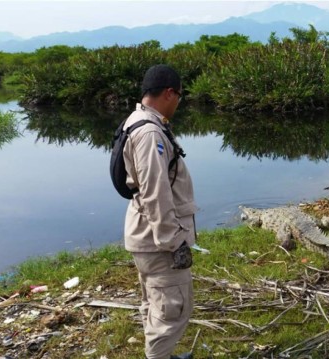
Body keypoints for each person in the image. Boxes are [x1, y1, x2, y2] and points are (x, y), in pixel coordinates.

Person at [122, 64, 196, 359]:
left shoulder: (137, 119)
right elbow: (156, 192)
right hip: (158, 242)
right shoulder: (150, 133)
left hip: (144, 232)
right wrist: (174, 242)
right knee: (172, 311)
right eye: (179, 95)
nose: (179, 102)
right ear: (169, 93)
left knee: (156, 303)